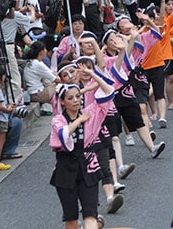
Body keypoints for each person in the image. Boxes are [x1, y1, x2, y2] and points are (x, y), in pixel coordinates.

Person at [50, 63, 116, 229]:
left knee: (90, 214)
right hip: (65, 168)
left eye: (78, 96)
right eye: (70, 98)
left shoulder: (91, 111)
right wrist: (79, 120)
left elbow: (109, 91)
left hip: (89, 165)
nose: (75, 101)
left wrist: (91, 74)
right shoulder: (58, 120)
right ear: (63, 102)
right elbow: (63, 135)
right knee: (71, 219)